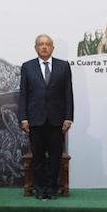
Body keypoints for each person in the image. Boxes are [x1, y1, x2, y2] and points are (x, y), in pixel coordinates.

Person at [19, 34, 74, 200]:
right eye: (41, 44)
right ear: (35, 48)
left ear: (52, 48)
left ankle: (52, 187)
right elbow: (23, 95)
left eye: (47, 44)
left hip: (57, 120)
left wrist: (68, 117)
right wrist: (23, 118)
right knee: (38, 157)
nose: (44, 47)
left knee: (55, 156)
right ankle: (40, 187)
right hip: (35, 119)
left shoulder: (63, 66)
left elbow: (68, 94)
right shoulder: (27, 67)